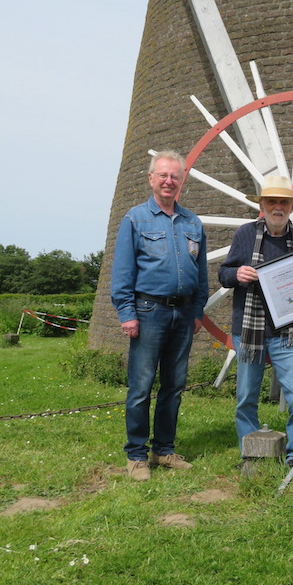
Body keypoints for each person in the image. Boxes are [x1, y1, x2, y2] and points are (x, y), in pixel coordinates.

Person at [111, 150, 209, 481]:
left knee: (174, 386)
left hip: (183, 314)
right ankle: (137, 456)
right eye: (163, 176)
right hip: (148, 310)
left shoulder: (193, 222)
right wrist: (127, 312)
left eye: (175, 177)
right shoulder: (135, 219)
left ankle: (163, 450)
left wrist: (198, 310)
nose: (169, 181)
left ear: (182, 181)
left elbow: (202, 272)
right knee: (141, 386)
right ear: (151, 178)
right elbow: (122, 271)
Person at [218, 174, 293, 473]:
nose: (277, 207)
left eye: (283, 202)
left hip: (288, 330)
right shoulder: (246, 234)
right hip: (250, 329)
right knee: (246, 396)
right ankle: (250, 452)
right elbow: (224, 274)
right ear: (262, 205)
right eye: (272, 201)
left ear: (290, 207)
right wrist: (238, 275)